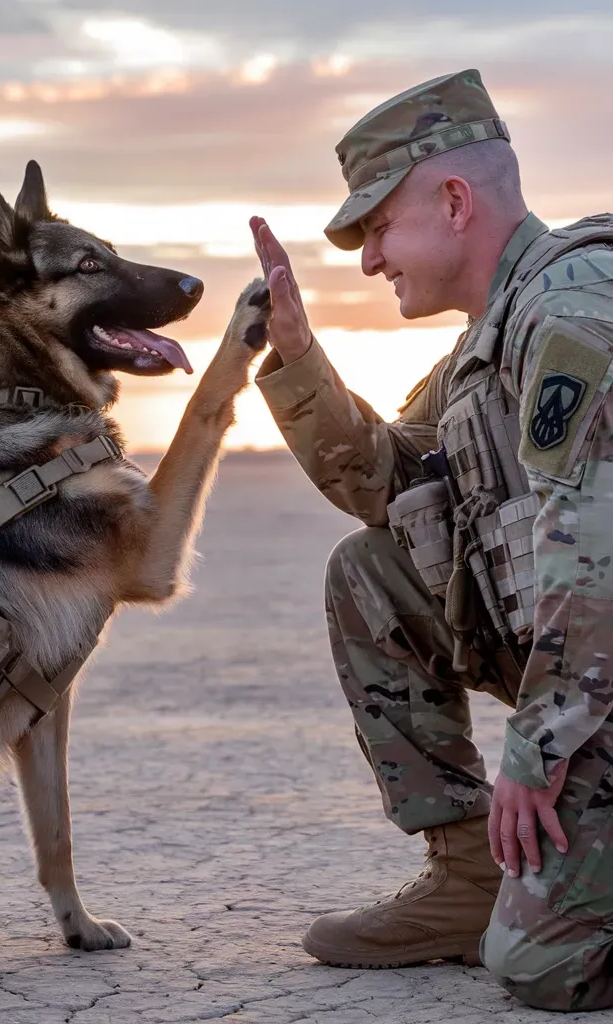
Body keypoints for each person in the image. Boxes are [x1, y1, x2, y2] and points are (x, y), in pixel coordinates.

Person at [249, 68, 613, 1012]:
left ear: (455, 202)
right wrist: (300, 360)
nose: (368, 259)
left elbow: (599, 545)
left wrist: (537, 746)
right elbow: (393, 490)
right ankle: (468, 882)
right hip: (587, 670)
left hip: (596, 667)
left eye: (376, 228)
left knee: (547, 970)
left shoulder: (572, 311)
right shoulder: (481, 349)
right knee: (371, 572)